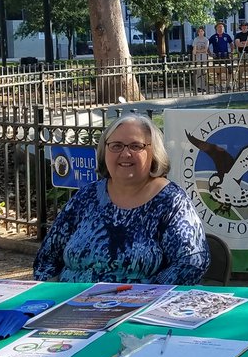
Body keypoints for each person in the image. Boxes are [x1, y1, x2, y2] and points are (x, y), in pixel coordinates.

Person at [32, 115, 210, 284]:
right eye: (116, 146)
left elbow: (192, 262)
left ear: (154, 152)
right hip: (72, 304)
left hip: (138, 307)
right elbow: (46, 258)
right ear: (105, 150)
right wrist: (52, 298)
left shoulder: (171, 201)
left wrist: (146, 296)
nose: (125, 154)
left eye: (135, 146)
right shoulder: (87, 197)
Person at [208, 22, 234, 89]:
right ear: (216, 28)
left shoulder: (226, 36)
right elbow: (207, 45)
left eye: (222, 27)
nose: (221, 28)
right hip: (217, 56)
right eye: (219, 27)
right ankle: (220, 85)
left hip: (226, 55)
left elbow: (231, 44)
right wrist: (210, 54)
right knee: (218, 71)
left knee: (230, 70)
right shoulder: (213, 37)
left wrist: (232, 52)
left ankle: (228, 84)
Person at [191, 26, 209, 92]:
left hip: (204, 58)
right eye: (199, 31)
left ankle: (203, 86)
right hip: (197, 58)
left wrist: (199, 50)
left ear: (204, 32)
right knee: (197, 72)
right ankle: (197, 86)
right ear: (198, 33)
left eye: (202, 31)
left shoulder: (206, 40)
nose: (201, 32)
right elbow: (194, 50)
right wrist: (200, 50)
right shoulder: (196, 39)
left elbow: (206, 49)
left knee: (203, 72)